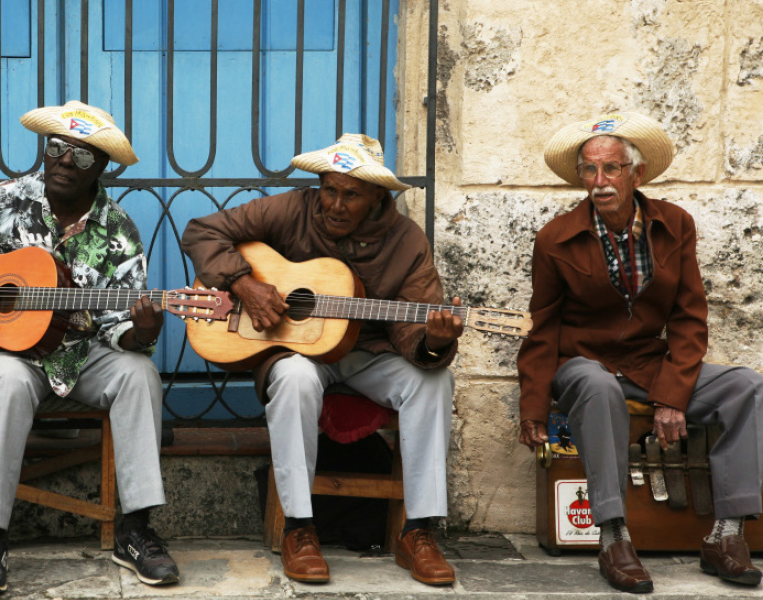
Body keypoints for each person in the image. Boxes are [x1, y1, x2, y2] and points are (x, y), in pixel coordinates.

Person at [0, 101, 179, 594]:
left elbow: (116, 330)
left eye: (83, 156)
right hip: (8, 355)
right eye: (57, 148)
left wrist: (144, 332)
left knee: (139, 373)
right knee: (4, 381)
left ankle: (136, 531)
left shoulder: (120, 232)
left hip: (81, 355)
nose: (65, 161)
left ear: (102, 168)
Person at [181, 134, 462, 586]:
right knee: (293, 378)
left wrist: (433, 341)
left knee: (433, 382)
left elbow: (412, 329)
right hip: (300, 352)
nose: (334, 204)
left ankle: (419, 531)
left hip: (370, 353)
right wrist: (244, 283)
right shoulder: (294, 208)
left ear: (376, 197)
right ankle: (299, 528)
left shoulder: (407, 241)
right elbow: (203, 231)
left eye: (350, 194)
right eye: (329, 189)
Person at [518, 111, 763, 593]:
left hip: (649, 365)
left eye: (611, 169)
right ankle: (613, 537)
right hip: (581, 363)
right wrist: (532, 408)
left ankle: (727, 534)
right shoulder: (555, 239)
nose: (599, 182)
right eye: (589, 171)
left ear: (637, 173)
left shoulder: (674, 225)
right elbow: (542, 328)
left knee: (747, 387)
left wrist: (673, 394)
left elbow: (690, 317)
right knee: (596, 383)